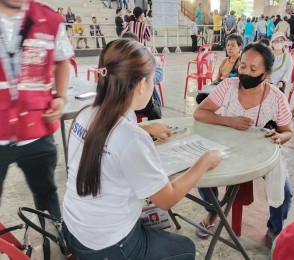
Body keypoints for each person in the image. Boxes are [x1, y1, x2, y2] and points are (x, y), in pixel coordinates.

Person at [62, 39, 222, 259]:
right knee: (185, 248)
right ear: (140, 85)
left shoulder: (86, 112)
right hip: (109, 245)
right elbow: (166, 200)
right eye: (152, 81)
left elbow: (107, 137)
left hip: (73, 229)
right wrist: (204, 161)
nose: (153, 87)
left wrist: (144, 126)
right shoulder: (131, 138)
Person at [193, 42, 293, 243]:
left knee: (285, 191)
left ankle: (274, 229)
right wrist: (229, 121)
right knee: (201, 171)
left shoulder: (277, 98)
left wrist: (280, 137)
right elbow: (199, 112)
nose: (245, 72)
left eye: (253, 69)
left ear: (266, 74)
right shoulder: (227, 87)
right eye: (243, 66)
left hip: (261, 152)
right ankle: (213, 211)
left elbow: (287, 131)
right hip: (226, 145)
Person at [0, 0, 74, 219]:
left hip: (37, 131)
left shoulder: (49, 19)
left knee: (47, 198)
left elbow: (62, 61)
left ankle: (54, 245)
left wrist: (61, 97)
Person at [121, 32, 163, 120]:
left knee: (155, 112)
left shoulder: (145, 57)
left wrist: (149, 79)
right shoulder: (119, 63)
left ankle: (154, 132)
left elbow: (159, 72)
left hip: (146, 100)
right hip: (124, 102)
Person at [195, 34, 243, 104]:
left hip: (229, 91)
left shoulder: (241, 63)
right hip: (219, 87)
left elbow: (240, 84)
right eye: (228, 45)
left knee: (204, 100)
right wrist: (209, 87)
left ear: (240, 47)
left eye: (233, 45)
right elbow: (218, 78)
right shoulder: (224, 61)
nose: (229, 48)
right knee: (200, 97)